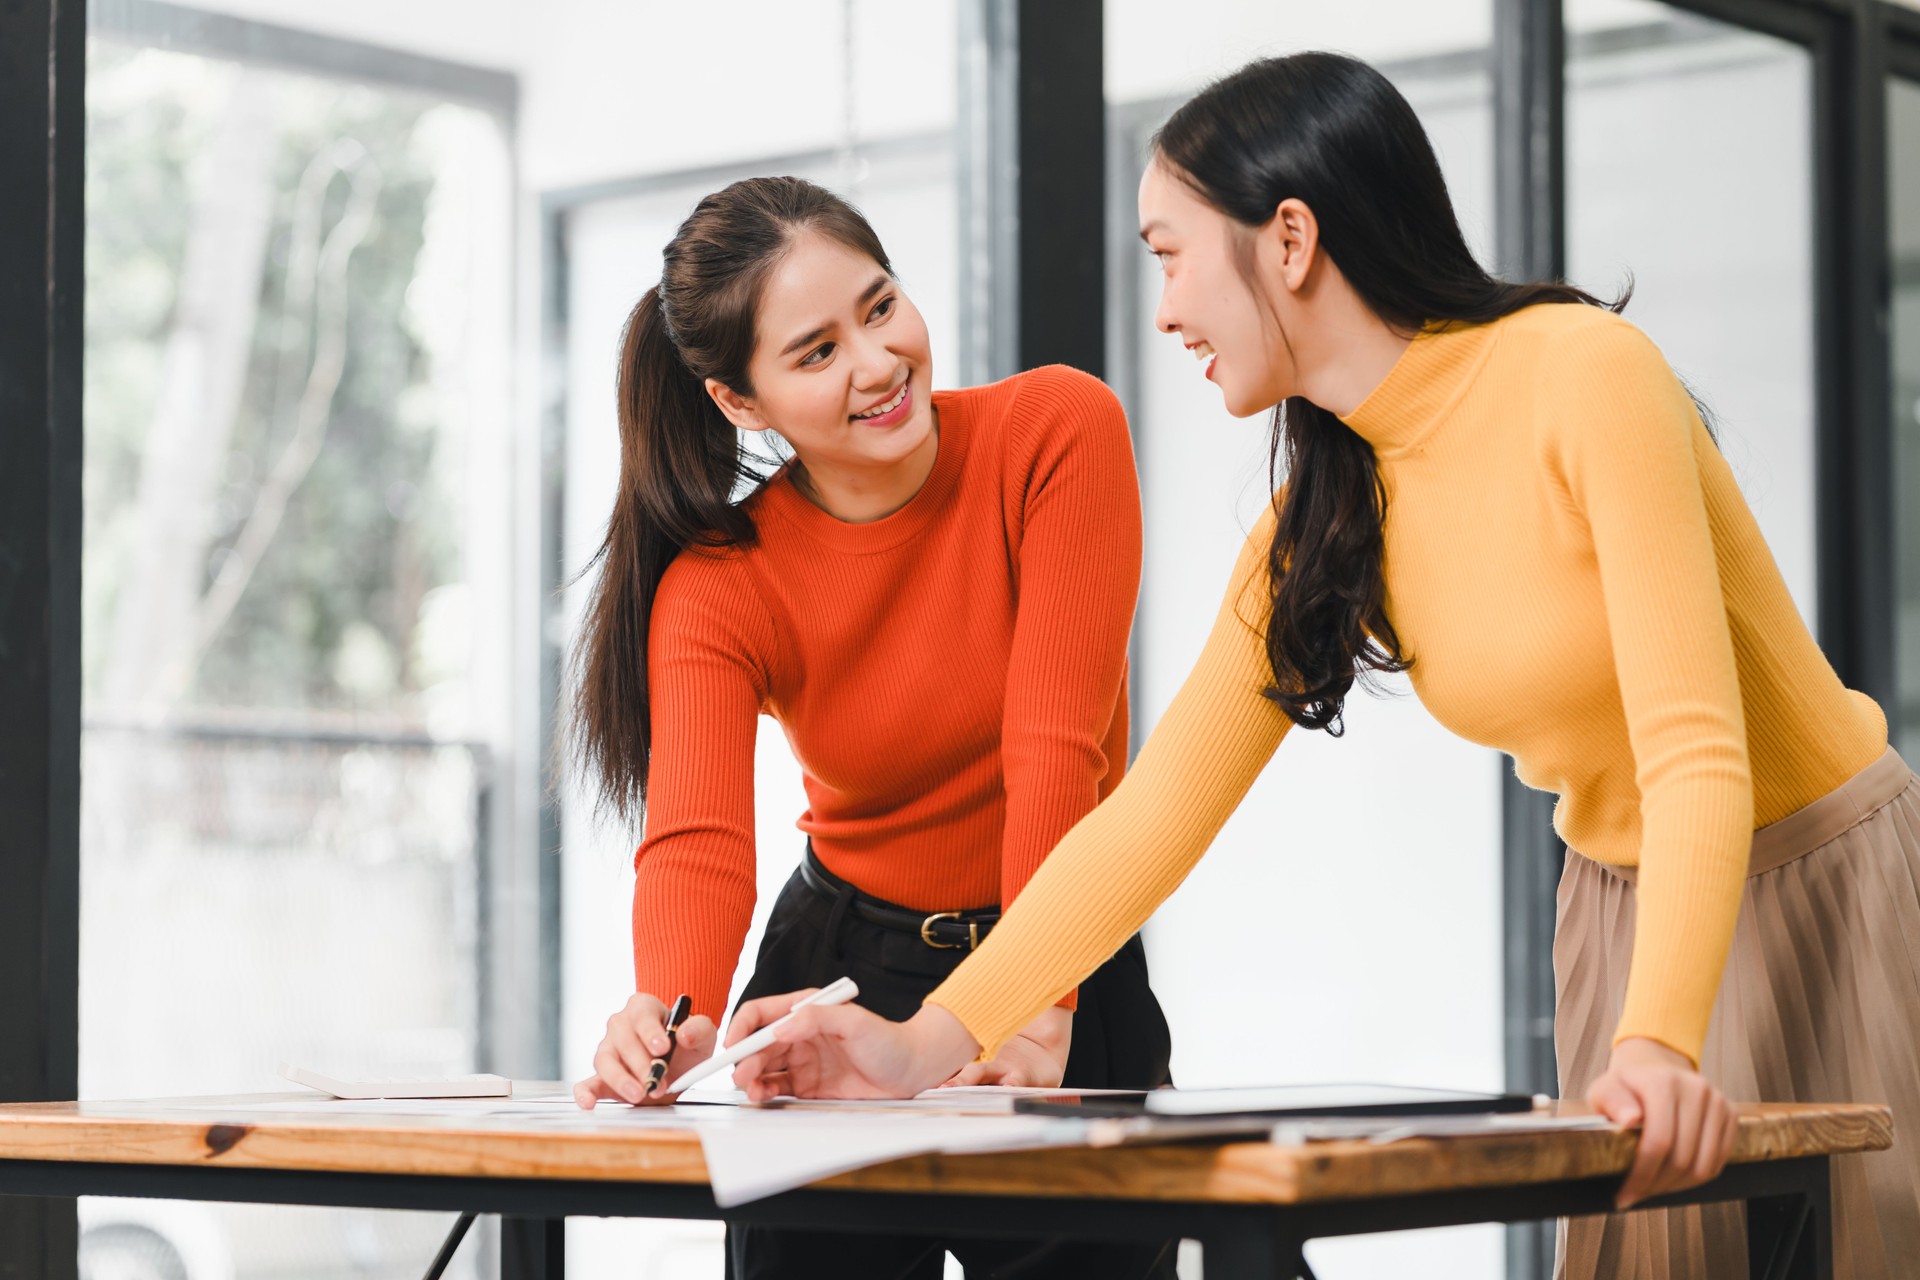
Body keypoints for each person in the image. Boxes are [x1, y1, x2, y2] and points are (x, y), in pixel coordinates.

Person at [726, 55, 1920, 1279]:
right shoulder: (1325, 514)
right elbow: (1146, 821)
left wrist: (1661, 1039)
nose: (1164, 311)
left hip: (1819, 873)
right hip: (1615, 910)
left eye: (1170, 253)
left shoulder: (1584, 373)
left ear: (1288, 238)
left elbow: (1696, 748)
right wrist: (924, 1040)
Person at [565, 175, 1176, 1279]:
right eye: (815, 351)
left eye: (880, 305)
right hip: (835, 978)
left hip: (1059, 951)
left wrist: (1036, 1004)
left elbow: (1055, 747)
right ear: (739, 401)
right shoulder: (721, 581)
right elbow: (697, 837)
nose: (879, 361)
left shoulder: (1056, 431)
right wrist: (674, 1012)